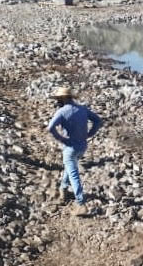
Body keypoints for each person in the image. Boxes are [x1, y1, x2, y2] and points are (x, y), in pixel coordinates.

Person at [47, 86, 103, 216]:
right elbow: (98, 120)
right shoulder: (82, 109)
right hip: (83, 147)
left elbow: (50, 127)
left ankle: (80, 202)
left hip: (70, 147)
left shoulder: (61, 112)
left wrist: (61, 139)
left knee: (73, 173)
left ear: (64, 98)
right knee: (70, 166)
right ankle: (63, 189)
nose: (57, 101)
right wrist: (90, 133)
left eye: (58, 99)